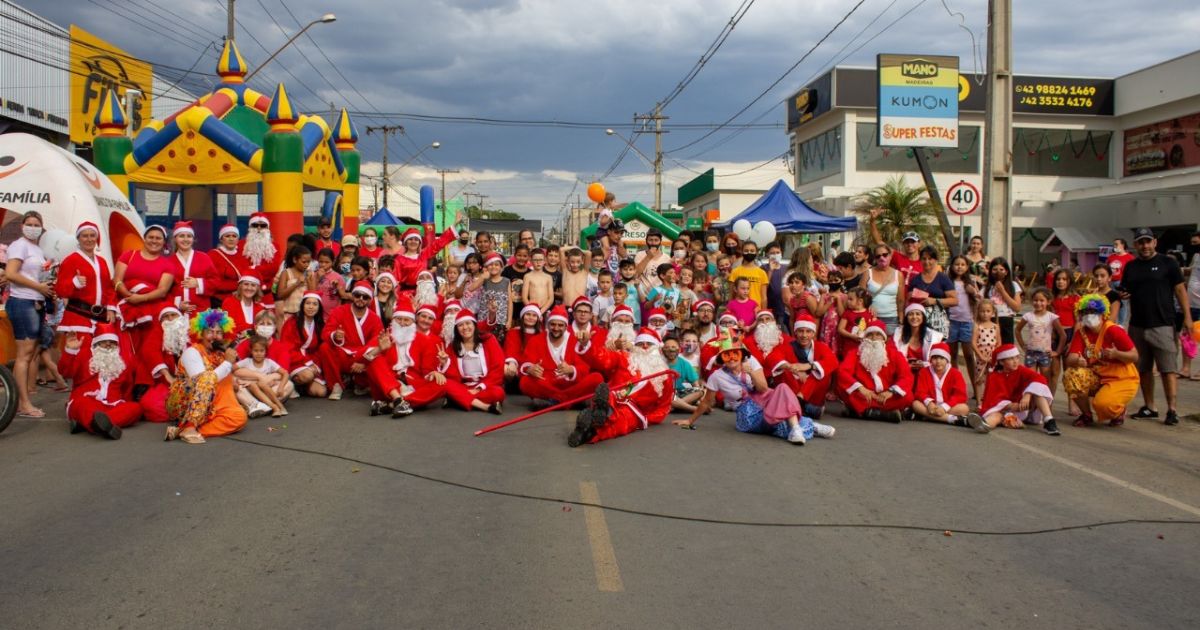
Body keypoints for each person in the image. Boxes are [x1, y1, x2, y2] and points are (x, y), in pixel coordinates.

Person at [673, 334, 832, 445]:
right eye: (727, 356)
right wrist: (690, 420)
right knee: (779, 423)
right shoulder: (717, 376)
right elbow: (707, 402)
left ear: (741, 355)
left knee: (782, 388)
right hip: (747, 413)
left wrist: (750, 373)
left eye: (735, 354)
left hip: (765, 399)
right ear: (722, 359)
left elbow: (763, 388)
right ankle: (811, 426)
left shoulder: (752, 362)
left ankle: (797, 429)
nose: (732, 359)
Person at [1120, 227, 1193, 426]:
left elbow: (1180, 290)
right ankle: (1150, 406)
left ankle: (1172, 409)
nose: (1144, 246)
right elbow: (1125, 290)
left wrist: (1187, 317)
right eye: (1140, 242)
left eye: (1147, 241)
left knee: (1167, 369)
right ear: (1135, 245)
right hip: (1137, 324)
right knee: (1143, 368)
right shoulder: (1131, 266)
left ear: (1154, 242)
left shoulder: (1168, 263)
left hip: (1162, 324)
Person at [569, 327, 675, 447]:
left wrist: (647, 419)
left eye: (649, 343)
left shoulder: (665, 376)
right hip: (613, 397)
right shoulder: (624, 357)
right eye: (641, 343)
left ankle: (588, 431)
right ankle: (600, 414)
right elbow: (602, 359)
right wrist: (586, 344)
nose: (645, 346)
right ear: (635, 346)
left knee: (623, 421)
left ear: (658, 348)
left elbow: (664, 406)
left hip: (634, 410)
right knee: (607, 396)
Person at [164, 309, 249, 444]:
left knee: (239, 417)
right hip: (183, 404)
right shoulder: (192, 352)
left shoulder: (221, 355)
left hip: (212, 408)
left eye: (219, 333)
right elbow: (202, 382)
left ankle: (181, 431)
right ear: (201, 334)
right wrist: (227, 363)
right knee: (206, 378)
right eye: (210, 332)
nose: (214, 336)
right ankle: (189, 426)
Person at [1064, 294, 1139, 427]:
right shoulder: (1081, 332)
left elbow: (1134, 356)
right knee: (1071, 375)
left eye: (1093, 312)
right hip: (1098, 376)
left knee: (1102, 405)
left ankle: (1119, 411)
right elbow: (1070, 358)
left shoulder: (1113, 330)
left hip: (1121, 378)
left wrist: (1117, 354)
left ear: (1102, 313)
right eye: (1085, 312)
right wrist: (1077, 360)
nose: (1089, 315)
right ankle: (1086, 415)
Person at [59, 324, 142, 439]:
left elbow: (127, 389)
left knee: (135, 408)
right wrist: (70, 351)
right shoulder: (84, 356)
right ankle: (101, 425)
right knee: (81, 404)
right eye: (104, 341)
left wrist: (125, 405)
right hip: (87, 401)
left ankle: (89, 424)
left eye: (112, 342)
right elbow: (65, 372)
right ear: (96, 344)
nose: (108, 344)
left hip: (112, 405)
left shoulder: (122, 363)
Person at [362, 299, 442, 416]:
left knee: (441, 384)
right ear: (393, 320)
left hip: (412, 384)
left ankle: (391, 405)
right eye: (398, 319)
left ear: (412, 322)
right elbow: (360, 357)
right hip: (388, 383)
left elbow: (426, 371)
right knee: (375, 358)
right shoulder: (385, 336)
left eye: (406, 320)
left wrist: (433, 373)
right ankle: (399, 400)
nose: (402, 323)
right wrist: (379, 349)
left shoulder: (424, 340)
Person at [517, 306, 605, 409]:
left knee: (597, 378)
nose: (556, 328)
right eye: (553, 324)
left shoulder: (574, 339)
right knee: (525, 382)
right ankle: (571, 401)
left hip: (570, 383)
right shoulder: (536, 340)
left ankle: (555, 401)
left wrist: (572, 370)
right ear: (548, 324)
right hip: (548, 383)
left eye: (560, 325)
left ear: (566, 326)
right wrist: (529, 368)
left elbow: (584, 367)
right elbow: (525, 363)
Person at [114, 224, 176, 354]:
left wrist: (141, 298)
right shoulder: (128, 255)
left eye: (158, 238)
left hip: (151, 313)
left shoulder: (168, 265)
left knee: (147, 349)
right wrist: (128, 296)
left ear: (164, 242)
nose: (154, 241)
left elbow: (162, 290)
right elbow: (117, 280)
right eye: (151, 237)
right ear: (144, 239)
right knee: (125, 348)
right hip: (125, 308)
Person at [317, 281, 384, 401]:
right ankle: (336, 385)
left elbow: (376, 341)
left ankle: (361, 384)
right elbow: (326, 332)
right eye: (358, 295)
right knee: (325, 347)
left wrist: (363, 361)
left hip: (361, 356)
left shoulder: (375, 318)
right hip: (343, 353)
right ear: (353, 296)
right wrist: (335, 336)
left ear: (370, 300)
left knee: (379, 354)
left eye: (365, 297)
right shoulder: (339, 311)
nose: (361, 299)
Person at [836, 320, 913, 422]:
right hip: (864, 395)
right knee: (847, 393)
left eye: (878, 335)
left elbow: (906, 375)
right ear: (865, 337)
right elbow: (843, 372)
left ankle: (863, 412)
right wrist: (861, 388)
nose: (873, 338)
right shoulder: (854, 353)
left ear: (884, 338)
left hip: (886, 396)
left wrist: (891, 392)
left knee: (907, 397)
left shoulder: (895, 354)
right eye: (870, 335)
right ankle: (883, 413)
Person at [978, 343, 1060, 435]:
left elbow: (1040, 379)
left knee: (1038, 391)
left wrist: (1027, 394)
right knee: (996, 416)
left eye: (1017, 357)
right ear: (1001, 362)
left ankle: (1049, 421)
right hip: (1006, 410)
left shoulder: (1021, 370)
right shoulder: (994, 376)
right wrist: (1009, 405)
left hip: (1025, 407)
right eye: (1011, 358)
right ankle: (983, 425)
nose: (1015, 361)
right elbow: (992, 399)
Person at [54, 221, 117, 338]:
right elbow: (60, 290)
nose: (89, 239)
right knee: (81, 354)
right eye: (85, 236)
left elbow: (109, 288)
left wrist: (111, 309)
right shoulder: (70, 260)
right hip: (78, 315)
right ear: (78, 238)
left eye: (92, 236)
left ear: (97, 238)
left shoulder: (102, 262)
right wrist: (74, 283)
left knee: (100, 354)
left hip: (101, 318)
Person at [769, 314, 838, 419]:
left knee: (821, 371)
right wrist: (792, 368)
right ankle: (805, 407)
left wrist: (808, 366)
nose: (804, 335)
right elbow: (773, 357)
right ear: (795, 332)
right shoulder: (787, 346)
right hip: (795, 385)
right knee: (783, 371)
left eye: (808, 331)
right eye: (801, 331)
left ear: (813, 333)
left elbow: (833, 361)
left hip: (813, 391)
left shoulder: (821, 346)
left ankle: (799, 402)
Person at [438, 309, 505, 414]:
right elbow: (453, 377)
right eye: (460, 325)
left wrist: (478, 389)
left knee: (498, 393)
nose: (465, 328)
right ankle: (485, 407)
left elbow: (498, 369)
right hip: (464, 386)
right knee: (447, 384)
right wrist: (445, 363)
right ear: (456, 329)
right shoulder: (453, 347)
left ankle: (458, 400)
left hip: (485, 386)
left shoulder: (489, 340)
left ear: (474, 325)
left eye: (468, 323)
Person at [910, 342, 986, 431]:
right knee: (915, 404)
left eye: (942, 358)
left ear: (947, 360)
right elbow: (920, 392)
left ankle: (926, 416)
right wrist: (929, 403)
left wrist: (944, 407)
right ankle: (952, 419)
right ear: (930, 360)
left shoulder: (955, 373)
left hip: (949, 407)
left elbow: (960, 395)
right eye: (934, 358)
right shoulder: (924, 372)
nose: (938, 361)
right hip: (930, 407)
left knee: (964, 408)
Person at [1016, 287, 1067, 402]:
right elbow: (1017, 330)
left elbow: (1063, 335)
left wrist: (1057, 351)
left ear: (1048, 302)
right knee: (1030, 380)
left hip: (1045, 354)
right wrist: (1022, 345)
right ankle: (1030, 405)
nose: (1038, 303)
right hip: (1030, 353)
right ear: (1031, 301)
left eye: (1041, 300)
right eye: (1035, 300)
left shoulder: (1052, 317)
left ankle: (1043, 405)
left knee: (1044, 380)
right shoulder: (1028, 316)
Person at [140, 306, 189, 423]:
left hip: (194, 380)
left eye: (173, 315)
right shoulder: (158, 332)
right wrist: (167, 375)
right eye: (165, 317)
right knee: (150, 404)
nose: (170, 319)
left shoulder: (190, 331)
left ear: (180, 317)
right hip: (169, 382)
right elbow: (150, 350)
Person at [281, 292, 327, 397]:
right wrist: (308, 363)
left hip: (312, 359)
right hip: (295, 359)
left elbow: (320, 348)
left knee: (321, 392)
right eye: (308, 303)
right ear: (302, 305)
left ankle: (302, 386)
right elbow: (287, 348)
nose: (311, 307)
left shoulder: (320, 324)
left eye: (315, 304)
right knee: (308, 375)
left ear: (319, 307)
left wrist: (315, 365)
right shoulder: (292, 322)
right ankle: (291, 382)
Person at [234, 336, 292, 417]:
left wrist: (281, 387)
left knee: (261, 383)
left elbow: (285, 373)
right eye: (256, 351)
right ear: (251, 351)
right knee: (253, 384)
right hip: (251, 392)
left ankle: (277, 407)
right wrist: (238, 379)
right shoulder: (247, 362)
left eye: (262, 351)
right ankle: (275, 406)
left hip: (266, 390)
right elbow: (231, 369)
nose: (259, 353)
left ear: (265, 351)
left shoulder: (269, 362)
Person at [168, 221, 216, 317]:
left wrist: (198, 283)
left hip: (201, 311)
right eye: (181, 236)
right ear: (175, 239)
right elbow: (164, 290)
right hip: (177, 313)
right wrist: (177, 303)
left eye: (189, 236)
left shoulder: (204, 258)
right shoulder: (169, 261)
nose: (186, 239)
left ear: (193, 239)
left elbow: (216, 281)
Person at [907, 246, 956, 337]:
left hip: (939, 322)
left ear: (936, 260)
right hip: (919, 322)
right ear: (920, 260)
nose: (927, 262)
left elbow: (954, 300)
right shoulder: (915, 279)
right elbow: (909, 300)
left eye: (930, 259)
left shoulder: (943, 278)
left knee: (938, 349)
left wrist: (935, 301)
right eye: (924, 259)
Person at [867, 208, 922, 285]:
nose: (910, 244)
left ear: (919, 244)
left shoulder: (925, 262)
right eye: (907, 242)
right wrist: (872, 221)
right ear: (903, 244)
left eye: (913, 242)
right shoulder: (898, 257)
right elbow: (878, 241)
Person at [865, 244, 905, 334]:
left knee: (890, 346)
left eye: (885, 255)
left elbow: (901, 300)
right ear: (875, 259)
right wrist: (868, 305)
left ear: (890, 256)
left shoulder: (898, 275)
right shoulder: (867, 273)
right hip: (871, 317)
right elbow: (859, 295)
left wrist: (901, 318)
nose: (881, 258)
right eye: (878, 256)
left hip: (892, 319)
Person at [893, 304, 944, 374]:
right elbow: (893, 357)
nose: (914, 317)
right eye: (911, 314)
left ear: (923, 317)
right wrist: (906, 365)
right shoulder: (898, 334)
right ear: (906, 318)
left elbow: (940, 361)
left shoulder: (933, 336)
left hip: (926, 373)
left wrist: (924, 364)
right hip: (904, 372)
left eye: (918, 314)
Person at [983, 257, 1022, 345]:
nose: (998, 272)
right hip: (990, 320)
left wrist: (1002, 291)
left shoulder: (1013, 285)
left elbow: (1017, 308)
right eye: (994, 269)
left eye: (1001, 269)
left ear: (1006, 272)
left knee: (1006, 349)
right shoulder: (987, 287)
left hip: (1006, 319)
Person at [209, 224, 249, 306]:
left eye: (234, 236)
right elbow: (213, 283)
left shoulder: (243, 255)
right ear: (221, 239)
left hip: (240, 300)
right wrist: (238, 287)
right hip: (220, 302)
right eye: (227, 236)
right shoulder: (213, 255)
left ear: (238, 239)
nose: (231, 239)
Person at [241, 213, 281, 286]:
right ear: (250, 227)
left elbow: (273, 269)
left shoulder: (275, 247)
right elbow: (241, 267)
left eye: (263, 226)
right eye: (255, 225)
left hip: (266, 288)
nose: (259, 228)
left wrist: (253, 268)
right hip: (245, 287)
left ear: (267, 228)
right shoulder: (241, 245)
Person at [727, 240, 768, 309]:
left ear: (756, 252)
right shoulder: (735, 272)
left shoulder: (762, 273)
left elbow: (764, 297)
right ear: (742, 252)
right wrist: (729, 311)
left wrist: (763, 312)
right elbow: (731, 295)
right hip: (738, 310)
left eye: (752, 251)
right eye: (746, 250)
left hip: (756, 310)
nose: (749, 252)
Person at [633, 228, 672, 296]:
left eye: (656, 240)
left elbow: (669, 278)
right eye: (650, 240)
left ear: (660, 241)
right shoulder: (640, 255)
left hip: (660, 295)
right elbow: (635, 274)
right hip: (643, 295)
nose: (653, 243)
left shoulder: (667, 258)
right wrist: (648, 257)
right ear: (646, 241)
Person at [521, 248, 555, 313]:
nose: (538, 262)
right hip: (532, 310)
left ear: (545, 261)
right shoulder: (527, 276)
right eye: (535, 260)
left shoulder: (548, 277)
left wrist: (541, 311)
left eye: (540, 260)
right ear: (531, 261)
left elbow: (551, 298)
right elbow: (524, 298)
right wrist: (532, 310)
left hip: (545, 309)